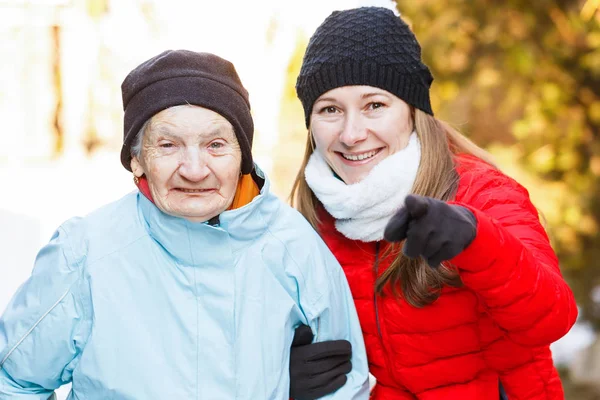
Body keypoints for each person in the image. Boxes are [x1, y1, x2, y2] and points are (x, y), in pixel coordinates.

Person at [0, 49, 370, 399]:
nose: (194, 170)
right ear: (137, 160)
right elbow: (13, 381)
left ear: (241, 156)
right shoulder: (84, 251)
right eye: (167, 145)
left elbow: (346, 387)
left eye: (215, 145)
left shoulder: (295, 247)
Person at [289, 7, 578, 400]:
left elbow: (551, 320)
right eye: (330, 110)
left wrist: (479, 242)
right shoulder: (311, 221)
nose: (352, 133)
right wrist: (283, 374)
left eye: (375, 105)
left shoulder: (482, 191)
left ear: (412, 109)